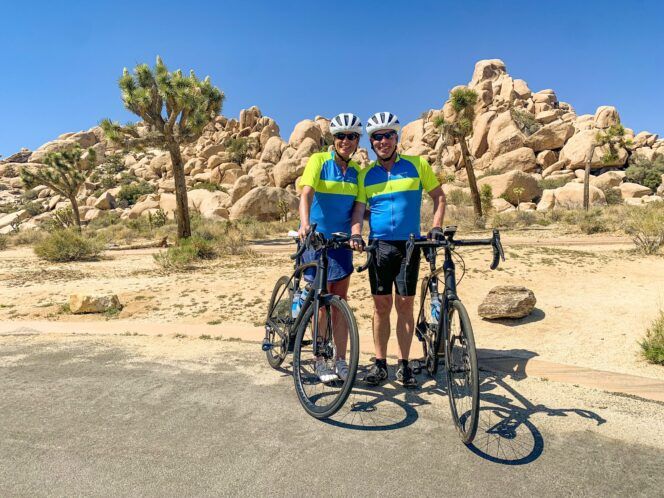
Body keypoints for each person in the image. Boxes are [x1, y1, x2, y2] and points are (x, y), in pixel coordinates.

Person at [350, 112, 446, 388]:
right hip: (379, 246)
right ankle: (380, 364)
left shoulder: (417, 165)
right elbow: (358, 210)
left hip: (410, 245)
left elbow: (439, 197)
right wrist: (356, 233)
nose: (383, 141)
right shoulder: (366, 175)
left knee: (405, 305)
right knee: (381, 306)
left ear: (396, 137)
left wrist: (436, 226)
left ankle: (404, 364)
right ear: (371, 143)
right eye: (377, 137)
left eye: (388, 135)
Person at [298, 113, 363, 382]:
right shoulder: (319, 161)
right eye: (340, 136)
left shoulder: (358, 172)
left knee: (340, 302)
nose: (345, 141)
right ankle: (320, 358)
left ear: (357, 140)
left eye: (351, 137)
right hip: (317, 240)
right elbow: (306, 193)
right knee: (322, 303)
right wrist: (304, 226)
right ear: (332, 139)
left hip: (341, 242)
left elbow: (358, 209)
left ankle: (341, 360)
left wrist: (357, 233)